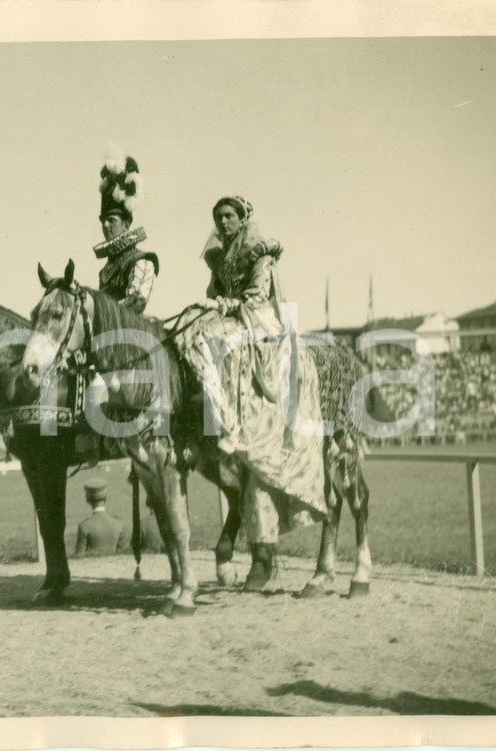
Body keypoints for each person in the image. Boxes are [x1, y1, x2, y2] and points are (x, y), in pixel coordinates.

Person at [174, 196, 327, 591]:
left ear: (243, 219)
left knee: (212, 338)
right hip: (231, 316)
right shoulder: (219, 256)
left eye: (229, 216)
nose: (223, 222)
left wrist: (228, 305)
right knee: (192, 331)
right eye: (218, 217)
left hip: (261, 319)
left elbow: (259, 295)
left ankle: (228, 409)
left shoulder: (260, 252)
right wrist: (215, 305)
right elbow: (213, 292)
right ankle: (208, 413)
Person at [93, 151, 158, 315]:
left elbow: (136, 304)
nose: (106, 225)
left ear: (126, 223)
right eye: (103, 221)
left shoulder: (141, 261)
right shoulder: (106, 269)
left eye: (111, 220)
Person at [75, 479, 129, 555]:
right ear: (105, 498)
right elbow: (124, 554)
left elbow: (79, 556)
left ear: (88, 500)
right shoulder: (119, 524)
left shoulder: (84, 526)